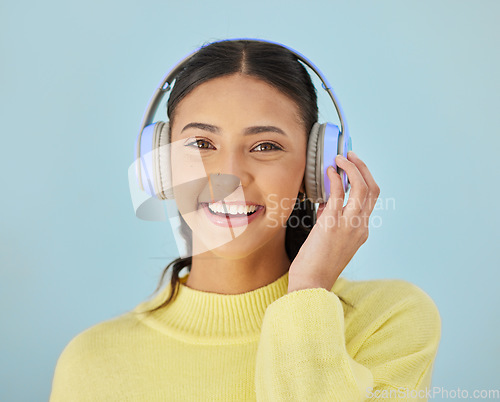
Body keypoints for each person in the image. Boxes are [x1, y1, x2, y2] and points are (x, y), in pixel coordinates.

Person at [50, 39, 441, 401]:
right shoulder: (90, 363)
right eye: (201, 144)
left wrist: (307, 292)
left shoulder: (390, 320)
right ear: (162, 165)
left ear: (315, 170)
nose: (230, 175)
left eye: (265, 146)